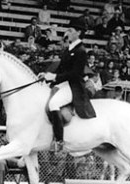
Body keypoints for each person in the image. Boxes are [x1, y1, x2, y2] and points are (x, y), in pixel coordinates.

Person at [42, 19, 96, 152]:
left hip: (74, 86)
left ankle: (59, 140)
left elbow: (75, 73)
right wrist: (47, 75)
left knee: (53, 104)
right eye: (68, 30)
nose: (68, 32)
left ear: (78, 32)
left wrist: (54, 77)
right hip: (63, 83)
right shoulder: (69, 49)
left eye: (71, 31)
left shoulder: (81, 51)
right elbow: (61, 69)